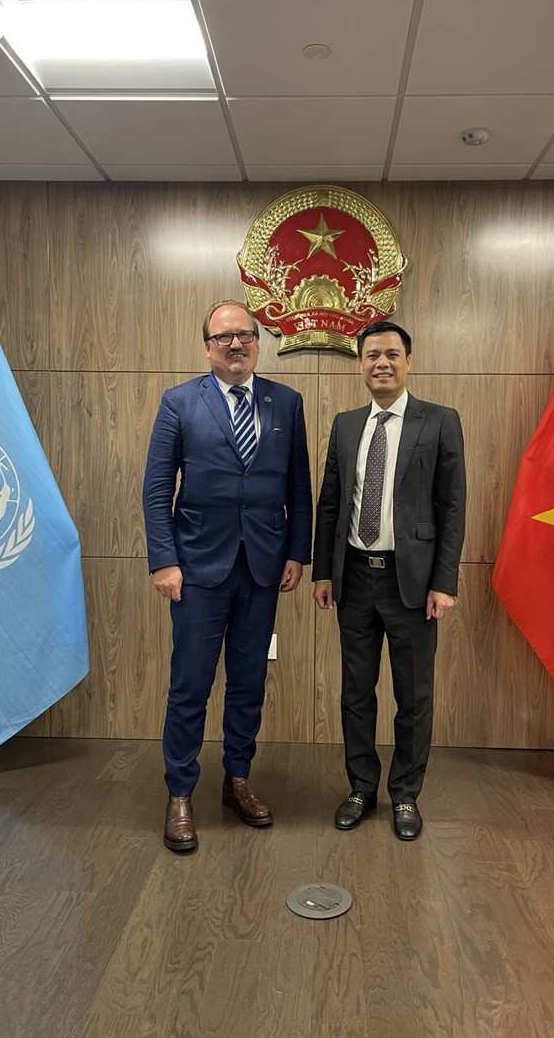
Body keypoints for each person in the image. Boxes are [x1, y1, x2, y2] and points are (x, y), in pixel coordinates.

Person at [143, 300, 312, 853]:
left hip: (263, 568)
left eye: (244, 335)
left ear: (258, 342)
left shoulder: (286, 401)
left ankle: (237, 778)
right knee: (190, 684)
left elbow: (298, 488)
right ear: (207, 347)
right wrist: (165, 560)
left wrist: (297, 553)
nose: (234, 345)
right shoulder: (179, 403)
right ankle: (180, 793)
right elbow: (156, 489)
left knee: (248, 683)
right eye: (223, 338)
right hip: (196, 570)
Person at [312, 321, 466, 841]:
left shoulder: (440, 421)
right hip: (355, 578)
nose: (382, 362)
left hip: (414, 586)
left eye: (392, 354)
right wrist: (324, 572)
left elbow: (452, 507)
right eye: (372, 354)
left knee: (414, 697)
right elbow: (330, 503)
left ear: (408, 362)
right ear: (360, 364)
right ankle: (360, 788)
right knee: (356, 693)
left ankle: (405, 795)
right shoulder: (346, 423)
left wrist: (444, 582)